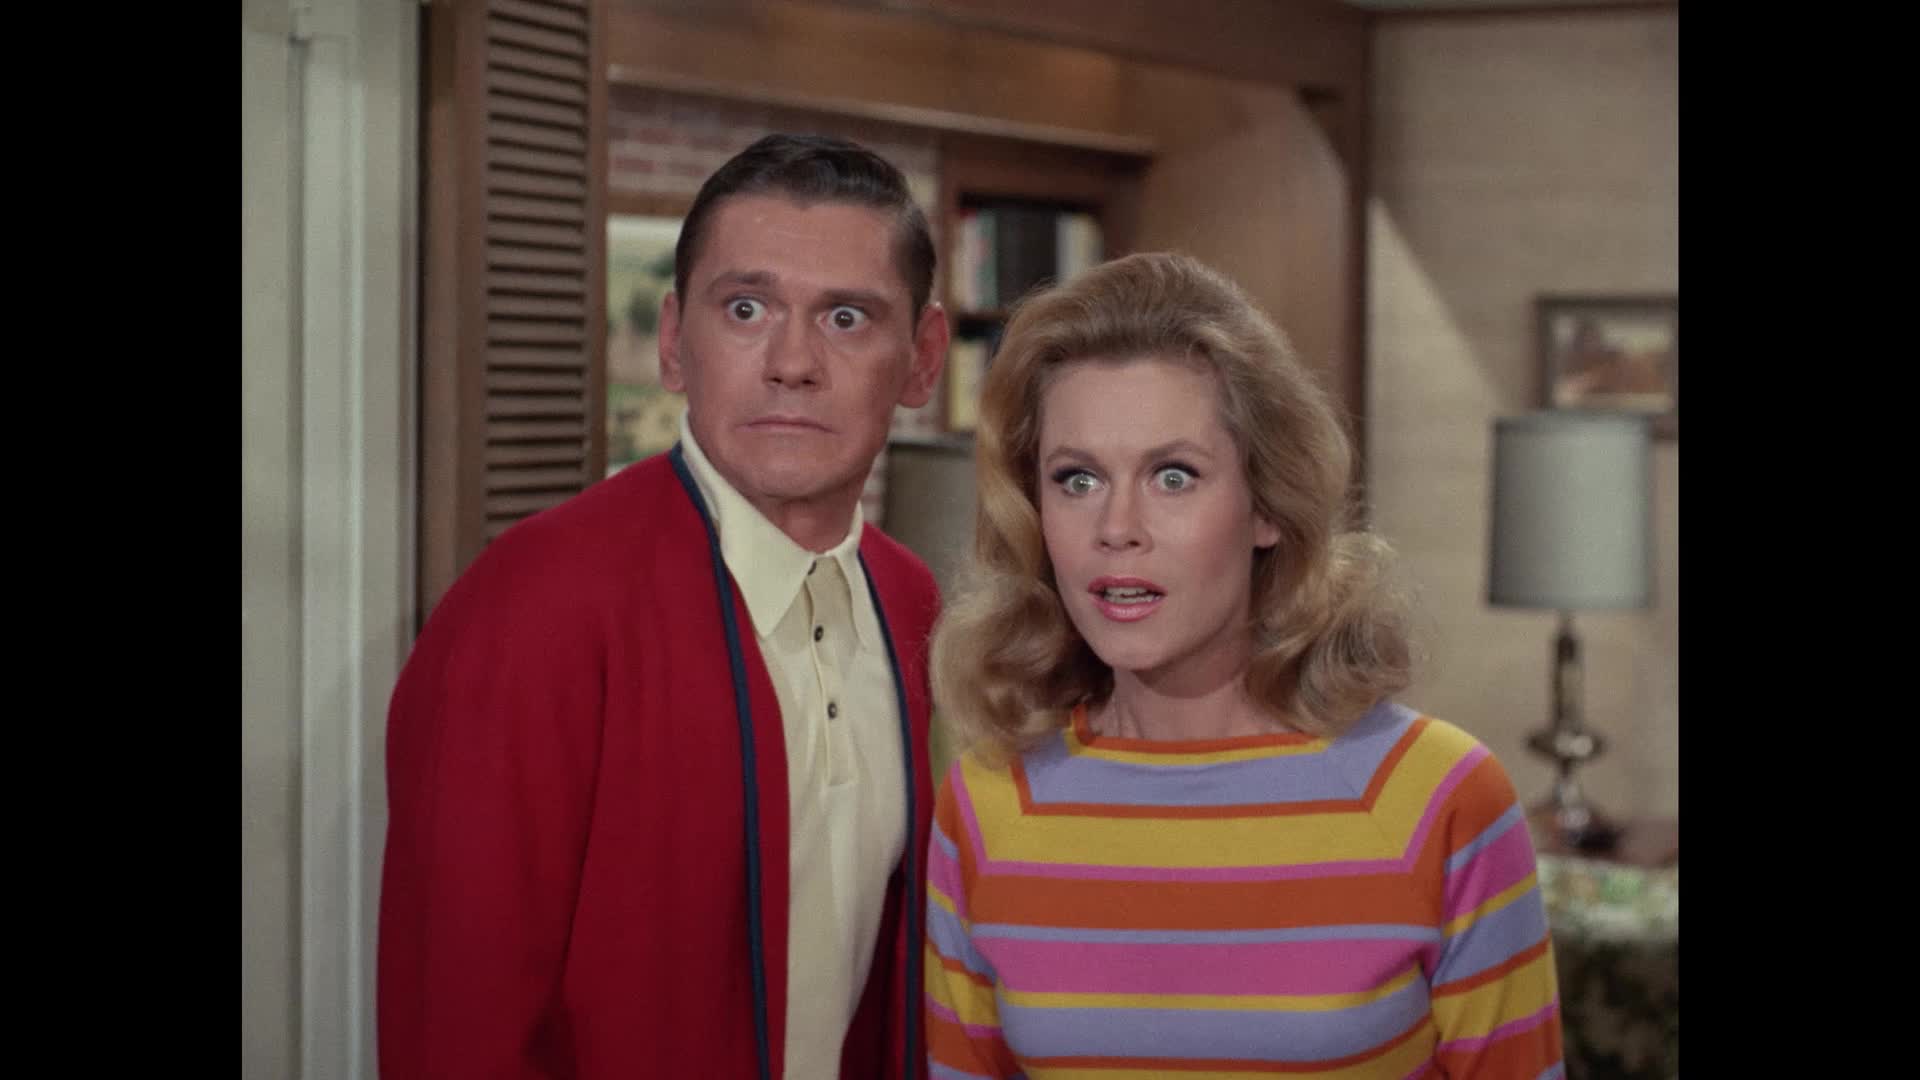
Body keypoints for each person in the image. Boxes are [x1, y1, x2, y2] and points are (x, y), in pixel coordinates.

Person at [379, 133, 951, 1079]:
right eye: (746, 308)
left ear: (923, 360)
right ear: (675, 341)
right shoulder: (533, 607)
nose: (792, 362)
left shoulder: (911, 601)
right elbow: (458, 1021)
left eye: (847, 317)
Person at [923, 252, 1563, 1077]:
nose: (1116, 528)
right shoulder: (987, 802)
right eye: (1076, 479)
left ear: (1266, 506)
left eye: (1173, 476)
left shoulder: (1439, 798)